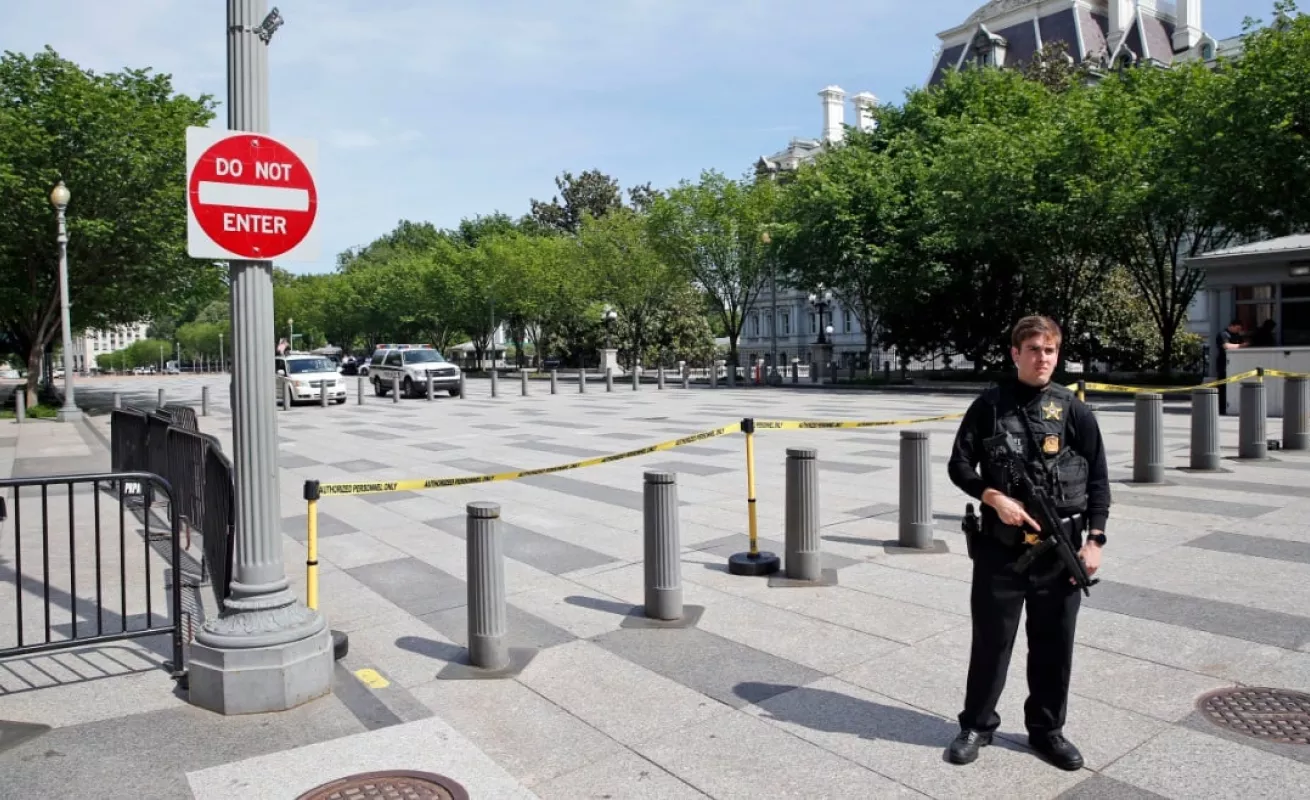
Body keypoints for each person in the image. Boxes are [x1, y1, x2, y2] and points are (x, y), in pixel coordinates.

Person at [945, 315, 1111, 771]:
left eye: (1050, 350)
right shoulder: (989, 406)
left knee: (1054, 643)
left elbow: (1098, 478)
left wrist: (1095, 539)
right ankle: (977, 724)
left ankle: (1047, 730)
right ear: (1015, 353)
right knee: (992, 641)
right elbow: (959, 466)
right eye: (1034, 349)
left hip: (1061, 549)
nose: (1043, 358)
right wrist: (993, 496)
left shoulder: (1073, 409)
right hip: (1001, 547)